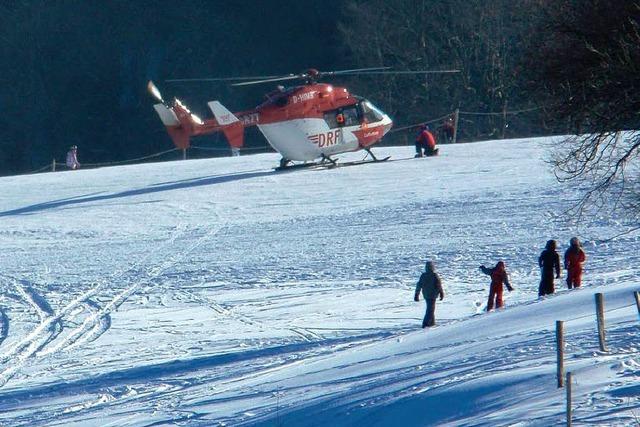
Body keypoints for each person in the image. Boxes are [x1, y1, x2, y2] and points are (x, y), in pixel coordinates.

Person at [414, 261, 445, 328]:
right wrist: (441, 293)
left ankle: (432, 323)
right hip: (433, 295)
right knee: (430, 309)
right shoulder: (434, 275)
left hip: (426, 295)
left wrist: (417, 294)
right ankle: (426, 324)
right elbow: (439, 285)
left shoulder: (423, 275)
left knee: (430, 308)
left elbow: (419, 285)